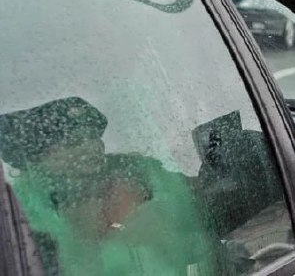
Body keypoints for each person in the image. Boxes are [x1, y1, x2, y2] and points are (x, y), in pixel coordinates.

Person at [0, 97, 224, 275]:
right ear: (36, 159)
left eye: (94, 137)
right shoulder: (16, 214)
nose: (92, 147)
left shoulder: (137, 174)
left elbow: (194, 202)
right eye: (75, 142)